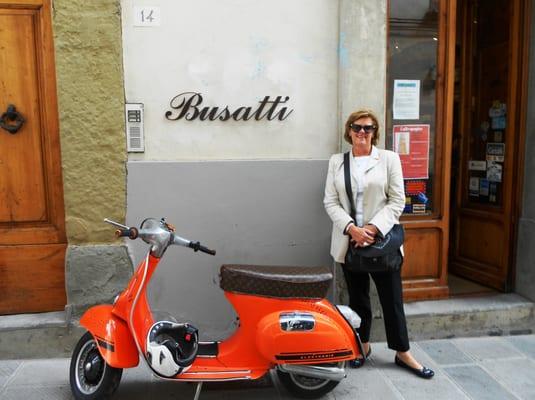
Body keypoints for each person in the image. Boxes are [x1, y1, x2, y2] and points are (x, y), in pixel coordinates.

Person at [323, 109, 434, 379]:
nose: (362, 132)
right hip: (350, 243)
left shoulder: (388, 159)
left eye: (368, 128)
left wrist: (371, 229)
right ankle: (363, 345)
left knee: (392, 300)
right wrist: (352, 229)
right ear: (349, 131)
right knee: (358, 299)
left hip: (382, 242)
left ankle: (402, 352)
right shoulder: (337, 161)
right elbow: (330, 201)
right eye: (357, 127)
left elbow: (398, 200)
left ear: (375, 132)